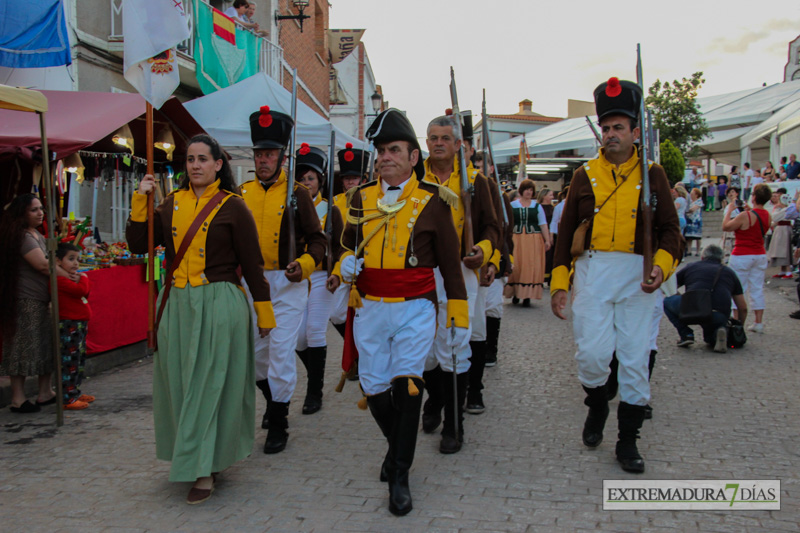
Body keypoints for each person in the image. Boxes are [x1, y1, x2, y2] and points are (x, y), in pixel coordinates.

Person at [329, 108, 468, 515]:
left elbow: (449, 262)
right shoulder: (359, 198)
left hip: (416, 308)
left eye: (395, 149)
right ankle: (396, 450)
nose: (386, 156)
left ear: (413, 157)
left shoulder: (436, 201)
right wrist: (344, 262)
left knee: (408, 387)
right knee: (373, 388)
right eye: (381, 150)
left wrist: (457, 313)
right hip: (370, 307)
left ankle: (400, 474)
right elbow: (345, 243)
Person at [126, 134, 276, 504]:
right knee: (180, 384)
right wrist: (140, 201)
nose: (195, 165)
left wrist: (264, 313)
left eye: (202, 159)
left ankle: (205, 468)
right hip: (177, 304)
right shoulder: (170, 203)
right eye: (190, 159)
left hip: (220, 303)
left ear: (217, 165)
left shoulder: (233, 206)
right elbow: (136, 245)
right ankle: (197, 454)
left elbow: (253, 264)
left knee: (209, 386)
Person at [550, 77, 682, 474]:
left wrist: (661, 266)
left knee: (635, 361)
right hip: (593, 270)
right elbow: (564, 233)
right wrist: (559, 283)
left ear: (635, 131)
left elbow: (671, 232)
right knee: (592, 357)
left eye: (618, 127)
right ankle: (596, 404)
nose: (610, 134)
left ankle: (627, 442)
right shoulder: (584, 175)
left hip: (638, 273)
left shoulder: (653, 173)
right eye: (605, 128)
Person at [239, 106, 327, 453]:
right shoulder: (241, 194)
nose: (264, 160)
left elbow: (319, 240)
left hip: (288, 285)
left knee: (279, 352)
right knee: (256, 357)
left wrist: (304, 265)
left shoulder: (297, 194)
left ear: (282, 156)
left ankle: (279, 421)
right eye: (260, 153)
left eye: (270, 154)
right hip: (252, 283)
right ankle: (274, 401)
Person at [420, 112, 499, 454]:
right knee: (424, 350)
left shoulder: (476, 182)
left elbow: (493, 228)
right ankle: (434, 398)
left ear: (458, 145)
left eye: (445, 138)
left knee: (454, 345)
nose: (439, 143)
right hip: (420, 272)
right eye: (433, 138)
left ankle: (454, 423)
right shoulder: (412, 178)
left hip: (460, 272)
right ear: (427, 143)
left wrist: (482, 252)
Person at [294, 143, 342, 415]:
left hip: (322, 276)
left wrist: (336, 272)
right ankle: (317, 375)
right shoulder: (292, 208)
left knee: (314, 330)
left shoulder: (330, 209)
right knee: (298, 339)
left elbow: (339, 246)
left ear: (320, 181)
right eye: (301, 179)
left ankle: (314, 392)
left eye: (310, 178)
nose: (306, 183)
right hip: (298, 278)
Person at [0, 194, 57, 413]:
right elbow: (43, 265)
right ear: (22, 212)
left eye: (41, 208)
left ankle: (45, 392)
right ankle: (18, 398)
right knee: (21, 348)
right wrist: (66, 272)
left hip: (41, 299)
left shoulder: (37, 234)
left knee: (45, 345)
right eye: (34, 210)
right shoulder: (22, 236)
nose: (40, 212)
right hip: (25, 299)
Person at [663, 244, 747, 352]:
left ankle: (686, 334)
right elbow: (742, 307)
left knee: (666, 302)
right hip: (718, 314)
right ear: (721, 259)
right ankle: (717, 333)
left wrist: (681, 297)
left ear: (702, 257)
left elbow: (670, 288)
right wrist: (739, 327)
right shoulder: (729, 273)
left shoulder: (691, 266)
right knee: (710, 338)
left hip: (692, 309)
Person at [474, 150, 514, 370]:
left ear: (490, 168)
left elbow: (505, 232)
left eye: (482, 166)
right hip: (476, 256)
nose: (479, 169)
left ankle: (491, 349)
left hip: (496, 257)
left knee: (493, 306)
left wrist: (507, 260)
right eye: (476, 165)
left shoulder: (500, 196)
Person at [328, 143, 369, 343]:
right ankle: (352, 349)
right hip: (343, 264)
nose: (350, 182)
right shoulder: (334, 203)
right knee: (336, 313)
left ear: (363, 179)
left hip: (367, 264)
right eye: (347, 178)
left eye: (354, 177)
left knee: (365, 315)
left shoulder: (373, 202)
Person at [722, 182, 771, 333]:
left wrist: (729, 210)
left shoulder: (745, 215)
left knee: (738, 289)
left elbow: (726, 226)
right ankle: (758, 322)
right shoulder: (767, 215)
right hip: (760, 253)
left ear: (754, 197)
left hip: (742, 254)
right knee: (757, 288)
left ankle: (737, 322)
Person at [55, 243, 95, 410]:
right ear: (58, 261)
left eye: (77, 259)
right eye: (71, 259)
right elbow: (81, 290)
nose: (76, 264)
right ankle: (68, 397)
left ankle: (75, 392)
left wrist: (82, 280)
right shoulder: (60, 280)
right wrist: (84, 278)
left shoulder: (70, 277)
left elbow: (85, 292)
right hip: (69, 323)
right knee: (69, 362)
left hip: (79, 323)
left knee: (78, 360)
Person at [505, 179, 551, 306]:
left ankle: (527, 296)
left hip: (533, 239)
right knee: (517, 264)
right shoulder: (513, 205)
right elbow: (507, 222)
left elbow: (542, 224)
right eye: (526, 189)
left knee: (530, 265)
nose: (529, 192)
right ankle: (515, 292)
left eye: (531, 190)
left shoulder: (537, 206)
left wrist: (547, 240)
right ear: (521, 191)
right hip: (516, 238)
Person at [767, 188, 794, 278]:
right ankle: (783, 270)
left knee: (784, 249)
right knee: (779, 249)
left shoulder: (787, 209)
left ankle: (788, 271)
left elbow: (775, 217)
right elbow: (774, 218)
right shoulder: (779, 208)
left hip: (784, 229)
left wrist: (782, 208)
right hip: (780, 228)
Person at [538, 188, 555, 285]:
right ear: (544, 196)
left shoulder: (553, 208)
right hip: (542, 234)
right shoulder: (538, 207)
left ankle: (548, 278)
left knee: (550, 256)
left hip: (550, 234)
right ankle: (541, 276)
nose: (552, 197)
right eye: (550, 195)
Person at [684, 188, 704, 256]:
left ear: (696, 195)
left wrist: (687, 210)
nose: (691, 195)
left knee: (698, 237)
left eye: (692, 194)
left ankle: (698, 251)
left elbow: (693, 209)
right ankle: (689, 250)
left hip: (696, 220)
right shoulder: (689, 202)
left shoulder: (699, 201)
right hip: (689, 220)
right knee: (689, 237)